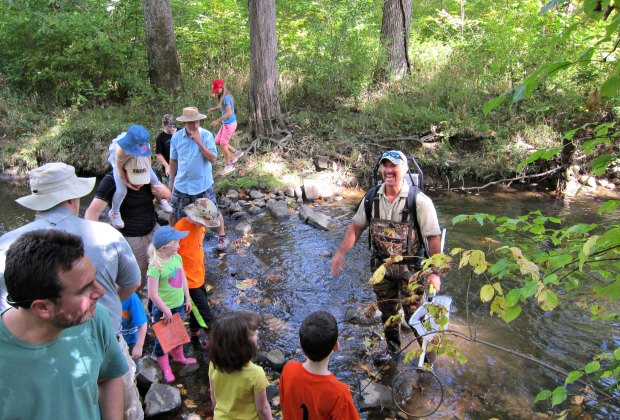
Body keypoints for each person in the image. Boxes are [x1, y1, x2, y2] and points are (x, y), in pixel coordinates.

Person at [0, 162, 144, 420]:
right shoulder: (105, 233)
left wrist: (86, 306)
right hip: (106, 337)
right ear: (73, 198)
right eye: (86, 288)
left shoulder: (6, 245)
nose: (98, 293)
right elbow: (133, 282)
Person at [0, 229, 128, 419]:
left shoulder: (94, 318)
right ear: (43, 307)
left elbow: (109, 377)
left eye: (96, 279)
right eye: (86, 288)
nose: (100, 292)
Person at [331, 150, 443, 364]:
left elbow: (434, 239)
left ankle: (429, 357)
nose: (389, 170)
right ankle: (393, 349)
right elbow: (356, 228)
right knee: (387, 311)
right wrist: (340, 253)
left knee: (415, 314)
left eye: (394, 166)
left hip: (412, 268)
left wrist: (434, 272)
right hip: (381, 268)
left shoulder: (419, 200)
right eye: (385, 165)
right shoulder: (371, 197)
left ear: (404, 169)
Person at [85, 158, 171, 288]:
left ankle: (160, 299)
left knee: (166, 269)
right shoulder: (111, 180)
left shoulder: (152, 174)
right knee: (138, 278)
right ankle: (133, 301)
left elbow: (163, 201)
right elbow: (92, 212)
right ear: (124, 171)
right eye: (136, 179)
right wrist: (95, 245)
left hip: (153, 227)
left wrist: (166, 194)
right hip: (131, 236)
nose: (140, 185)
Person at [169, 106, 229, 251]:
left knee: (212, 213)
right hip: (181, 184)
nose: (195, 125)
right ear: (185, 123)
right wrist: (171, 184)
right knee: (174, 212)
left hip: (202, 184)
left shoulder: (207, 135)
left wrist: (199, 142)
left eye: (197, 122)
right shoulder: (176, 137)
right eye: (191, 123)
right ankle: (172, 238)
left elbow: (213, 159)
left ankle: (222, 237)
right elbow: (173, 161)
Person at [279, 311, 360, 420]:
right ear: (336, 347)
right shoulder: (340, 393)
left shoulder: (288, 369)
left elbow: (284, 407)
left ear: (300, 342)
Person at [147, 225, 197, 382]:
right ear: (164, 247)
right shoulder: (155, 267)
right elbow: (152, 294)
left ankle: (179, 358)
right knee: (163, 340)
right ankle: (166, 367)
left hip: (179, 304)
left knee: (177, 334)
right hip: (163, 310)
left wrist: (187, 299)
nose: (179, 244)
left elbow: (182, 279)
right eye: (176, 242)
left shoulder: (177, 257)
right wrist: (166, 311)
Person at [209, 311, 272, 420]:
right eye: (253, 334)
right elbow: (263, 409)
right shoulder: (256, 374)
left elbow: (213, 395)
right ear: (242, 346)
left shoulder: (214, 364)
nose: (257, 333)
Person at [107, 124, 172, 229]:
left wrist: (146, 171)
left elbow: (148, 160)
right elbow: (119, 167)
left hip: (140, 159)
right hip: (121, 163)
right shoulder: (121, 150)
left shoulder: (145, 145)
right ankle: (114, 212)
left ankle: (161, 200)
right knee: (121, 190)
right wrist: (126, 182)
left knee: (156, 181)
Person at [175, 198, 218, 348]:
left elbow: (198, 241)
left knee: (196, 312)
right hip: (188, 282)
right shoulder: (180, 229)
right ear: (193, 216)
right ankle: (216, 346)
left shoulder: (200, 228)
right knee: (206, 317)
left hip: (199, 276)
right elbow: (172, 256)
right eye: (203, 222)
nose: (204, 226)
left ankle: (194, 338)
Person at [207, 79, 243, 175]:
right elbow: (221, 107)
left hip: (230, 124)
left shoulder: (226, 98)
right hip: (226, 124)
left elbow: (229, 112)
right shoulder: (223, 97)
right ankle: (237, 153)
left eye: (216, 90)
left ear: (221, 87)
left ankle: (229, 165)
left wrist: (217, 121)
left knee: (223, 144)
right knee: (217, 141)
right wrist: (214, 109)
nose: (215, 92)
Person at [121, 292, 148, 360]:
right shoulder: (105, 296)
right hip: (113, 340)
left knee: (134, 364)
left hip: (131, 341)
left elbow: (142, 323)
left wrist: (139, 346)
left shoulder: (132, 298)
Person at [155, 114, 177, 183]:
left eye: (173, 127)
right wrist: (166, 166)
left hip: (183, 164)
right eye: (169, 127)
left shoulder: (181, 131)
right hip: (170, 166)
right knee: (172, 186)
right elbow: (158, 154)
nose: (171, 129)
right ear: (164, 126)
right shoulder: (160, 138)